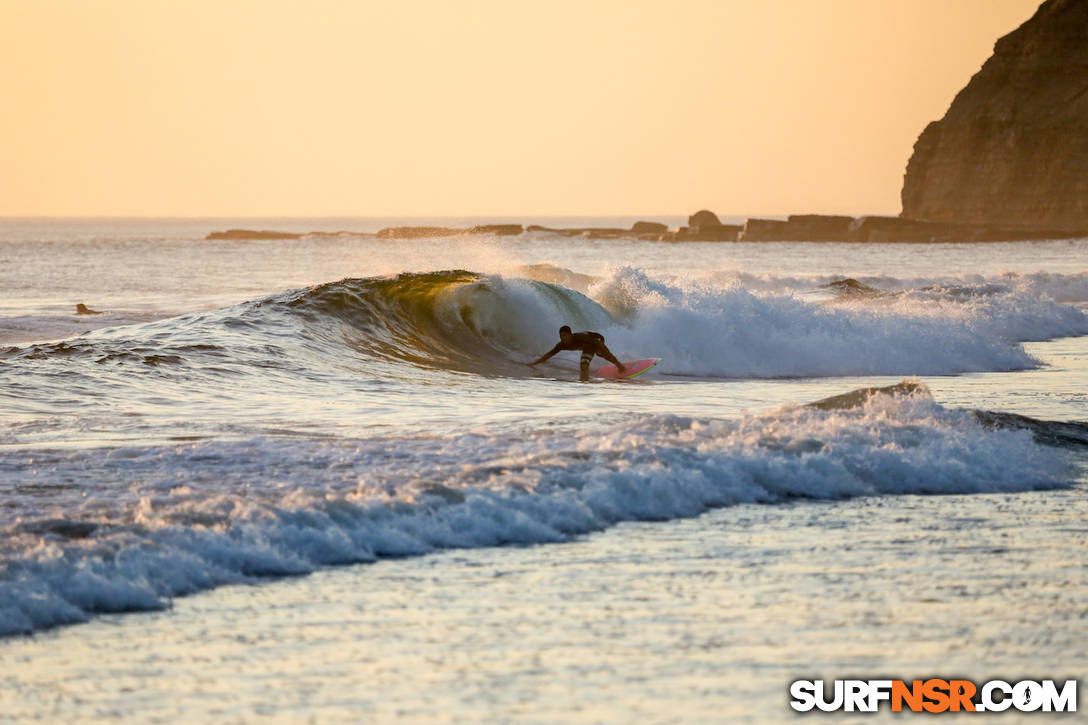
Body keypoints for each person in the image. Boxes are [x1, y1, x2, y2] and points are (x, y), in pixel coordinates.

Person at [528, 325, 625, 381]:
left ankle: (619, 365)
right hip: (587, 346)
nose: (563, 338)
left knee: (603, 354)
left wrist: (604, 349)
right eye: (561, 336)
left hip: (595, 340)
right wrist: (535, 363)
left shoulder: (579, 337)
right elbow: (549, 355)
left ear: (570, 334)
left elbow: (597, 341)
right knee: (584, 365)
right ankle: (585, 380)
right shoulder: (561, 345)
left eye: (565, 335)